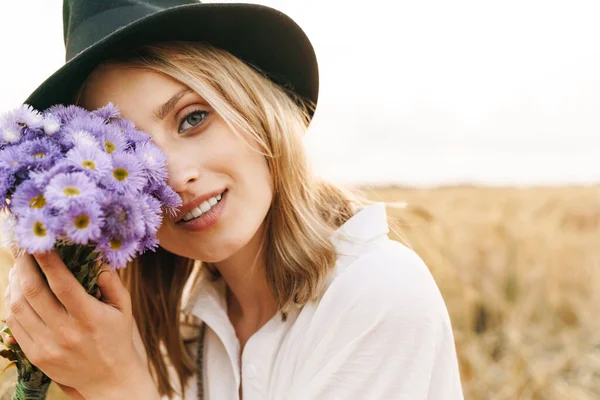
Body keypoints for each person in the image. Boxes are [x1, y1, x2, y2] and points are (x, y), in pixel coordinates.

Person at [3, 0, 465, 399]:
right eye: (133, 155)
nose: (177, 176)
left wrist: (120, 387)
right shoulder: (189, 325)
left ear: (255, 105)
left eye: (193, 118)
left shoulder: (376, 293)